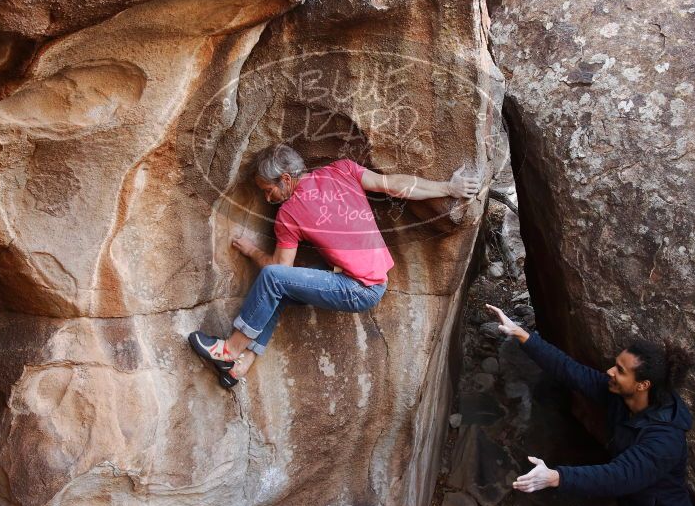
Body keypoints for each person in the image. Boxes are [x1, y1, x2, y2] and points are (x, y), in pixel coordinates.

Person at [188, 143, 481, 388]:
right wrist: (448, 187)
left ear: (286, 180)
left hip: (358, 288)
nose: (268, 197)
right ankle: (240, 366)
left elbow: (278, 269)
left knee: (274, 280)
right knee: (281, 291)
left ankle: (229, 351)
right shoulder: (342, 170)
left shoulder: (289, 214)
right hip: (370, 282)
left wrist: (252, 251)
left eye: (268, 190)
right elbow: (391, 184)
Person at [486, 304, 695, 506]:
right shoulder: (622, 396)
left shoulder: (666, 438)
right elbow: (571, 371)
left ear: (643, 385)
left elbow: (621, 475)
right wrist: (522, 335)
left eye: (620, 371)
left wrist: (555, 477)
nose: (610, 371)